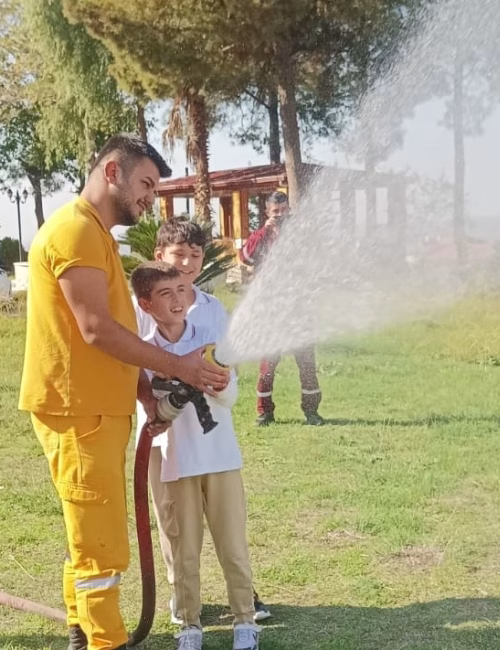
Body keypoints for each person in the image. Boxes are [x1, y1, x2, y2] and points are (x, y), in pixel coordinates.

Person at [18, 133, 230, 650]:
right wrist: (177, 366)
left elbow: (117, 331)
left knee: (88, 532)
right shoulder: (75, 232)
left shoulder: (94, 235)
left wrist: (142, 392)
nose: (149, 199)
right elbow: (95, 329)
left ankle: (80, 630)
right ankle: (105, 642)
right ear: (112, 171)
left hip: (94, 407)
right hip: (78, 409)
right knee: (102, 546)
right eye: (145, 184)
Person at [134, 218, 272, 626]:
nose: (189, 263)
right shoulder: (143, 307)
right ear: (160, 257)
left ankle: (244, 597)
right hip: (163, 437)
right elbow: (135, 365)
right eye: (179, 255)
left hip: (209, 434)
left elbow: (226, 364)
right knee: (174, 522)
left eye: (196, 255)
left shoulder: (212, 308)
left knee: (226, 521)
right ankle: (184, 600)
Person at [239, 191, 325, 426]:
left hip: (299, 310)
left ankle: (312, 412)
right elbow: (244, 257)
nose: (280, 216)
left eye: (284, 211)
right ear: (267, 213)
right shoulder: (260, 236)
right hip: (270, 312)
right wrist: (265, 231)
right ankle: (264, 413)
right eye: (275, 212)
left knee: (306, 363)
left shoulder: (300, 235)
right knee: (267, 365)